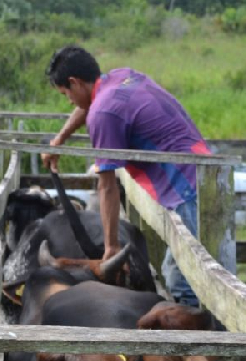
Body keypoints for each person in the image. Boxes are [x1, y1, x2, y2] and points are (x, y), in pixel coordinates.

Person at [42, 45, 210, 307]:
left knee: (185, 283)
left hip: (184, 188)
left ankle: (197, 342)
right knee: (180, 272)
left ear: (74, 82)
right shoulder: (121, 78)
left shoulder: (103, 113)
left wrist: (111, 247)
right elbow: (89, 105)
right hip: (203, 173)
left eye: (67, 94)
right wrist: (59, 140)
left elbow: (107, 187)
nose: (70, 102)